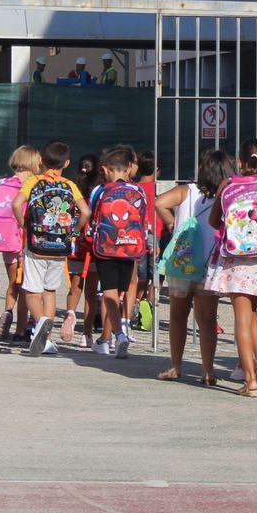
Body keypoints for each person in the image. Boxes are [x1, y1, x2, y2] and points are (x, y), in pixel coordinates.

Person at [203, 139, 257, 397]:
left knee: (241, 318)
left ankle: (250, 379)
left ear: (239, 162)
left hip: (236, 259)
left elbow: (214, 220)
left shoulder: (228, 185)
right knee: (255, 313)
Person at [156, 149, 233, 385]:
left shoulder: (186, 190)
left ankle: (176, 366)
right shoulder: (228, 194)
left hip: (182, 263)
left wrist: (171, 223)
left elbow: (159, 202)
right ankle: (207, 370)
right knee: (208, 319)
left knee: (177, 316)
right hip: (211, 264)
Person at [12, 141, 90, 356]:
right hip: (60, 246)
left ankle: (40, 322)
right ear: (66, 163)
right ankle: (45, 341)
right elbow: (85, 211)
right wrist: (74, 232)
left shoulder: (34, 182)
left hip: (36, 245)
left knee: (31, 290)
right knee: (50, 291)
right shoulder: (69, 185)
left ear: (41, 161)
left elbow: (16, 204)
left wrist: (23, 223)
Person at [88, 146, 150, 358]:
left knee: (108, 293)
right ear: (129, 168)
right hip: (130, 248)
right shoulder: (138, 191)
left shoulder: (100, 190)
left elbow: (90, 214)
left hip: (106, 247)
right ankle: (109, 337)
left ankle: (118, 335)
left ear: (105, 169)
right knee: (119, 295)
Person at [0, 145, 42, 341]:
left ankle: (7, 312)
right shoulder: (32, 186)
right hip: (25, 242)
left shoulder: (1, 185)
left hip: (5, 242)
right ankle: (21, 330)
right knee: (28, 286)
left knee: (13, 283)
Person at [64, 152, 100, 343]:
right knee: (91, 294)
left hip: (75, 246)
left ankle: (70, 314)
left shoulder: (72, 190)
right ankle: (86, 334)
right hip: (93, 248)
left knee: (75, 288)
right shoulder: (98, 193)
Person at [127, 149, 159, 335]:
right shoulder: (158, 189)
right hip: (155, 234)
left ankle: (136, 305)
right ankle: (150, 308)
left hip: (138, 234)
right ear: (158, 170)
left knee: (140, 276)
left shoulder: (134, 188)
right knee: (155, 277)